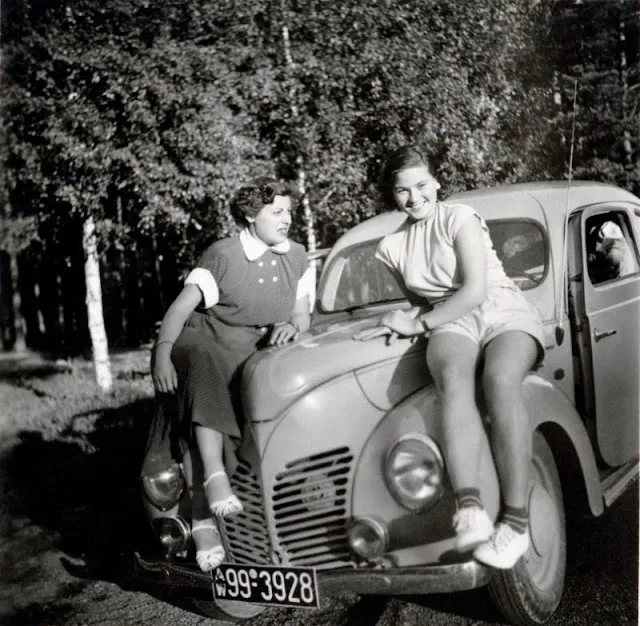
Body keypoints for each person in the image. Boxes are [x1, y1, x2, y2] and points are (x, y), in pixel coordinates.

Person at [355, 145, 545, 569]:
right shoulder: (391, 246)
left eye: (421, 185)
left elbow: (475, 289)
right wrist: (403, 318)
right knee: (452, 379)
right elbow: (421, 301)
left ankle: (515, 524)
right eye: (402, 190)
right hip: (449, 320)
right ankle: (471, 511)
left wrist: (417, 325)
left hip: (499, 307)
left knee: (498, 380)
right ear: (392, 194)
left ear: (437, 182)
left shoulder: (459, 217)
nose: (414, 196)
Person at [152, 177, 313, 572]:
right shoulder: (223, 254)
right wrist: (161, 354)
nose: (286, 219)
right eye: (276, 211)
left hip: (253, 347)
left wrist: (294, 327)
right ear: (249, 214)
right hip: (205, 339)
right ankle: (211, 487)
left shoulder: (297, 256)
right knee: (206, 367)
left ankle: (268, 519)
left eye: (288, 211)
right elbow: (179, 308)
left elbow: (301, 313)